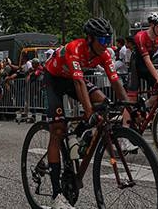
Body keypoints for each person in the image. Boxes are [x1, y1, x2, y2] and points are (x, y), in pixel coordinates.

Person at [42, 18, 129, 209]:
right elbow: (80, 83)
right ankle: (56, 196)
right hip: (54, 79)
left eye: (108, 40)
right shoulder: (75, 48)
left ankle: (80, 133)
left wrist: (128, 105)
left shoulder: (105, 54)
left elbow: (115, 81)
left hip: (73, 79)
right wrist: (89, 113)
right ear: (89, 39)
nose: (106, 45)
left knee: (103, 102)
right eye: (103, 40)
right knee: (57, 130)